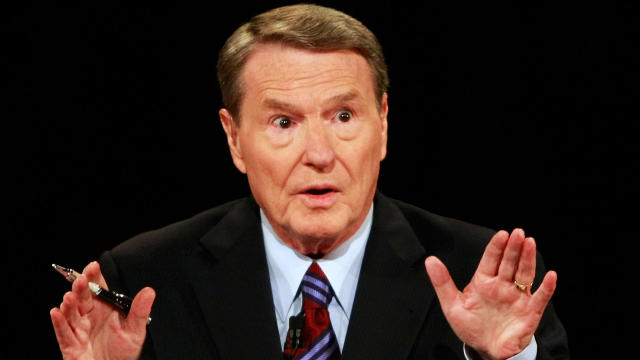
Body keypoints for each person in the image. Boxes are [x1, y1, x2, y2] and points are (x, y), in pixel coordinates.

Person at [50, 4, 569, 360]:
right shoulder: (144, 280)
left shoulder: (485, 275)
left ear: (383, 124)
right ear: (234, 140)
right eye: (283, 123)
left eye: (344, 117)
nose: (319, 155)